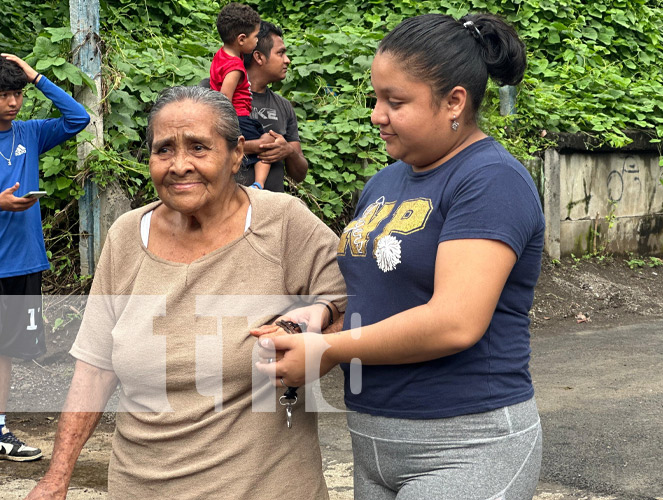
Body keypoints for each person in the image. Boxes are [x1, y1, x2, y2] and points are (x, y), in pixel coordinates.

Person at [254, 13, 545, 500]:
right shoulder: (385, 183)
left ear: (454, 101)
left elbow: (455, 321)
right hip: (373, 444)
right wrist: (323, 317)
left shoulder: (490, 179)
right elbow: (384, 297)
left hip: (466, 445)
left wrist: (326, 351)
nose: (376, 115)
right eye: (376, 98)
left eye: (396, 101)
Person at [25, 86, 345, 499]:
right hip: (139, 485)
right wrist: (57, 478)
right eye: (163, 150)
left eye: (198, 147)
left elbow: (356, 304)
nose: (179, 166)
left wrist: (320, 345)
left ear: (236, 154)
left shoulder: (282, 223)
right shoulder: (126, 236)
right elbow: (95, 366)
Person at [0, 54, 89, 462]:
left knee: (6, 351)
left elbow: (78, 119)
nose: (12, 102)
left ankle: (0, 429)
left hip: (23, 261)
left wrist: (36, 76)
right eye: (3, 94)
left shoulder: (30, 133)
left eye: (16, 93)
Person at [241, 21, 308, 192]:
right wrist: (257, 146)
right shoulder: (218, 94)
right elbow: (202, 148)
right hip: (223, 210)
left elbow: (299, 175)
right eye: (281, 53)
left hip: (271, 212)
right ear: (259, 57)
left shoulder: (284, 107)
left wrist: (288, 151)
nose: (287, 60)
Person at [210, 2, 270, 190]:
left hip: (234, 117)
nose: (257, 41)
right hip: (238, 117)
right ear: (242, 39)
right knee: (267, 146)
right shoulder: (235, 67)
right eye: (255, 37)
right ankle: (258, 184)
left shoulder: (220, 55)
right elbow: (225, 99)